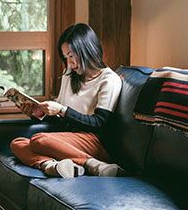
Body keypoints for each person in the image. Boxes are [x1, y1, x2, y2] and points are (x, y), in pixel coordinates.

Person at [10, 23, 123, 178]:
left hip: (94, 141)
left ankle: (93, 163)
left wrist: (62, 110)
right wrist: (35, 112)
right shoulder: (69, 75)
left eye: (71, 56)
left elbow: (100, 123)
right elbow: (59, 119)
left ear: (87, 50)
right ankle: (52, 166)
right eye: (65, 57)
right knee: (17, 143)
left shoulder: (109, 80)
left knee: (39, 140)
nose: (69, 63)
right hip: (68, 138)